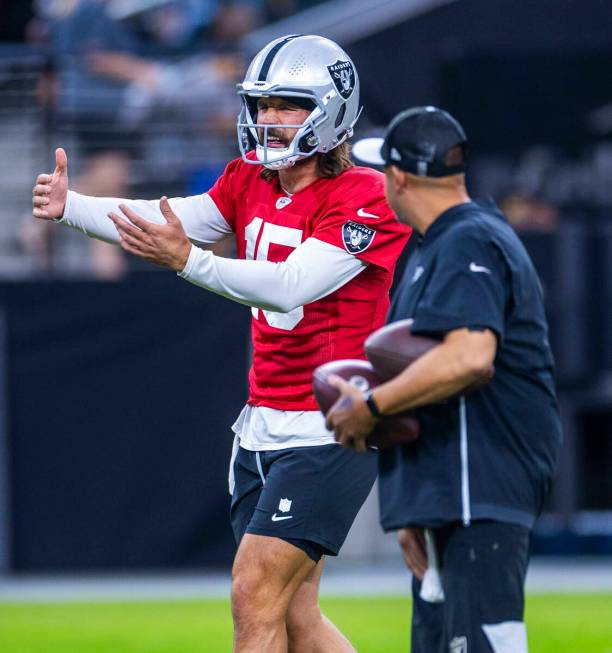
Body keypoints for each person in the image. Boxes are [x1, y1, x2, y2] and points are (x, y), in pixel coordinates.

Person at [31, 35, 410, 652]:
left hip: (330, 423)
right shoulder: (248, 179)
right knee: (294, 615)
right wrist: (72, 206)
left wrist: (190, 263)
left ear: (333, 109)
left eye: (286, 104)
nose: (267, 119)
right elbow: (169, 218)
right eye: (260, 104)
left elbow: (291, 286)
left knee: (252, 592)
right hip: (263, 419)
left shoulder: (366, 195)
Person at [326, 106, 562, 653]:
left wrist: (372, 405)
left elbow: (470, 357)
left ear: (400, 178)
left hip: (479, 487)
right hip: (450, 493)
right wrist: (416, 508)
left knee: (483, 646)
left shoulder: (468, 240)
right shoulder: (439, 244)